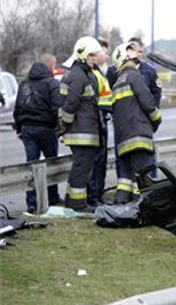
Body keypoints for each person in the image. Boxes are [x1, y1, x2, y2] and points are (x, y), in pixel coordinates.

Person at [109, 42, 162, 204]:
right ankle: (143, 207)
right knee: (142, 177)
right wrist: (156, 119)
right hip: (139, 135)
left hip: (124, 138)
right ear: (125, 59)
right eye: (131, 54)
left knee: (126, 178)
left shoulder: (118, 82)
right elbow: (147, 102)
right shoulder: (134, 76)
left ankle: (121, 204)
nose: (135, 57)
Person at [59, 36, 104, 212]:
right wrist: (64, 125)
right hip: (81, 132)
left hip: (81, 130)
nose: (95, 59)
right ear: (83, 55)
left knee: (80, 166)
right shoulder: (78, 75)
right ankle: (78, 204)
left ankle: (71, 201)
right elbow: (71, 104)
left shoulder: (80, 72)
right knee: (82, 168)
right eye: (92, 55)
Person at [12, 61, 64, 214]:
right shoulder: (52, 84)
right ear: (49, 68)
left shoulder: (24, 84)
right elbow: (57, 108)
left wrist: (19, 128)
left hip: (28, 128)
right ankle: (53, 197)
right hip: (47, 129)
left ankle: (32, 202)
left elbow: (18, 107)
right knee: (51, 164)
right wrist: (59, 129)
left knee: (31, 165)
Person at [86, 41, 113, 207]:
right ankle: (93, 196)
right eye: (102, 52)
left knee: (101, 162)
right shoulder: (92, 74)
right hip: (97, 122)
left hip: (103, 121)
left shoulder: (99, 73)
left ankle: (99, 195)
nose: (105, 56)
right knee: (95, 163)